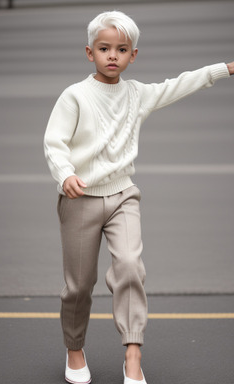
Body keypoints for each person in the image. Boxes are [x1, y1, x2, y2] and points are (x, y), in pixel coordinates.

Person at [44, 10, 233, 384]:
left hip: (123, 197)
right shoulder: (75, 96)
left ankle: (133, 355)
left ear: (133, 56)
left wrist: (224, 68)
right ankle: (75, 348)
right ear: (89, 52)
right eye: (104, 48)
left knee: (130, 266)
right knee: (79, 285)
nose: (112, 55)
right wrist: (65, 174)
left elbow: (178, 84)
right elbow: (54, 142)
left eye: (121, 49)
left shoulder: (137, 94)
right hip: (80, 200)